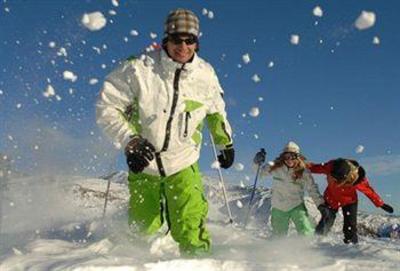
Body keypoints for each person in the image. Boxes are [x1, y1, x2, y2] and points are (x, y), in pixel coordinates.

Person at [96, 8, 234, 255]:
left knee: (191, 224)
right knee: (143, 225)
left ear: (197, 43)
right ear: (165, 40)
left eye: (189, 40)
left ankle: (198, 263)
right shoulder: (139, 68)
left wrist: (225, 142)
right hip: (143, 161)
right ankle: (134, 263)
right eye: (176, 39)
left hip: (183, 161)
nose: (183, 46)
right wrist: (130, 141)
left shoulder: (206, 75)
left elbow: (216, 110)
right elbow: (108, 106)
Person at [308, 158, 394, 244]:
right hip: (331, 198)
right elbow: (315, 167)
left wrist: (380, 203)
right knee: (327, 219)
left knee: (350, 226)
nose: (334, 181)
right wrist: (301, 165)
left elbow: (369, 191)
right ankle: (316, 241)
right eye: (333, 177)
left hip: (349, 201)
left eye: (337, 180)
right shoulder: (331, 167)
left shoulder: (358, 179)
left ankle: (351, 246)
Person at [256, 142, 324, 237]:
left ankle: (307, 248)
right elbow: (259, 173)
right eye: (286, 156)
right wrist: (257, 163)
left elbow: (312, 189)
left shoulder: (303, 172)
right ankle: (279, 250)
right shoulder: (275, 167)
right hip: (279, 206)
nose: (289, 160)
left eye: (292, 156)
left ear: (298, 157)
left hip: (296, 205)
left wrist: (320, 205)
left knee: (305, 230)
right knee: (278, 236)